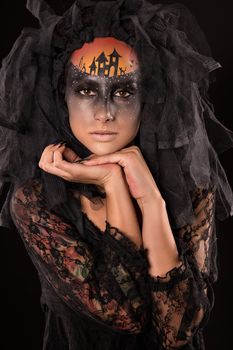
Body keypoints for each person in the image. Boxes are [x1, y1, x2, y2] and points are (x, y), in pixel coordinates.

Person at [0, 0, 233, 349]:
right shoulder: (36, 200)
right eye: (86, 90)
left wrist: (152, 201)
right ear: (61, 97)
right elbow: (129, 315)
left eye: (123, 92)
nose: (105, 112)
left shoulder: (189, 187)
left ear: (147, 98)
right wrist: (114, 184)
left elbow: (179, 332)